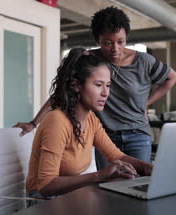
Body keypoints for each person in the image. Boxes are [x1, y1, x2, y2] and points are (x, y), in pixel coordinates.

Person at [15, 6, 176, 169]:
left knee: (139, 183)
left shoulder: (143, 61)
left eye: (120, 42)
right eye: (107, 43)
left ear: (126, 38)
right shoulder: (92, 61)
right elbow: (63, 91)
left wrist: (146, 103)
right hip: (105, 134)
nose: (115, 49)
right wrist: (34, 122)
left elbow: (172, 78)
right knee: (109, 186)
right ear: (97, 40)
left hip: (137, 134)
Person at [26, 48, 153, 199]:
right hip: (43, 202)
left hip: (69, 197)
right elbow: (45, 185)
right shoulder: (57, 121)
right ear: (77, 86)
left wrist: (148, 167)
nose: (106, 93)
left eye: (108, 85)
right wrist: (100, 175)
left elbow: (115, 155)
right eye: (99, 85)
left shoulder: (91, 119)